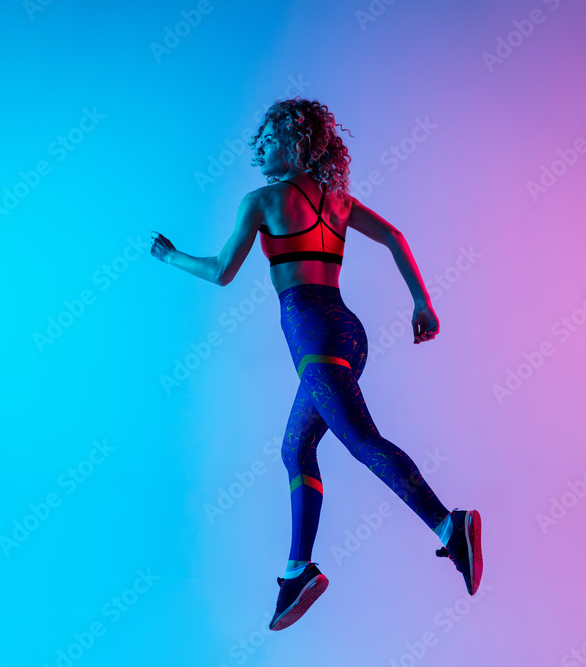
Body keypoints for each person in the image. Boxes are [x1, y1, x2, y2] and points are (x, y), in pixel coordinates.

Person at [149, 98, 481, 631]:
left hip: (313, 330)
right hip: (347, 333)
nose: (258, 150)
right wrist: (422, 301)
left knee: (360, 440)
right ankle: (298, 570)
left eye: (267, 140)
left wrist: (169, 257)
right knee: (296, 448)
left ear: (294, 139)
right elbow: (395, 237)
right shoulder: (338, 201)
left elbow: (219, 272)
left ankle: (449, 524)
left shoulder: (260, 202)